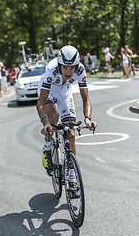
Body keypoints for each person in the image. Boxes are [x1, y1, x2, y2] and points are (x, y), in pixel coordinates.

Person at [36, 45, 97, 188]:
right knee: (54, 116)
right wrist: (45, 124)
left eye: (72, 68)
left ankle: (72, 177)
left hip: (65, 93)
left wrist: (87, 118)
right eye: (65, 68)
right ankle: (47, 147)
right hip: (48, 92)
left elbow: (85, 99)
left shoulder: (81, 69)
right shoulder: (51, 70)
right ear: (59, 65)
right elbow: (40, 102)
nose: (69, 72)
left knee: (71, 133)